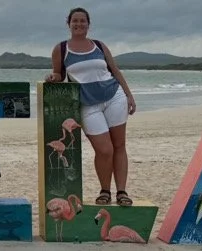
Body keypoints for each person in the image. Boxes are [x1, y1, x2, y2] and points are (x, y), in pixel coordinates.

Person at [45, 7, 137, 206]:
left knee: (119, 146)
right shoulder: (61, 48)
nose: (79, 24)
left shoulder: (99, 46)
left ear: (88, 24)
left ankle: (121, 192)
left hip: (114, 97)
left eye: (82, 21)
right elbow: (60, 75)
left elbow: (114, 70)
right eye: (75, 21)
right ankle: (105, 190)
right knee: (104, 150)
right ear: (68, 24)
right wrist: (53, 77)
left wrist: (129, 95)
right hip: (87, 105)